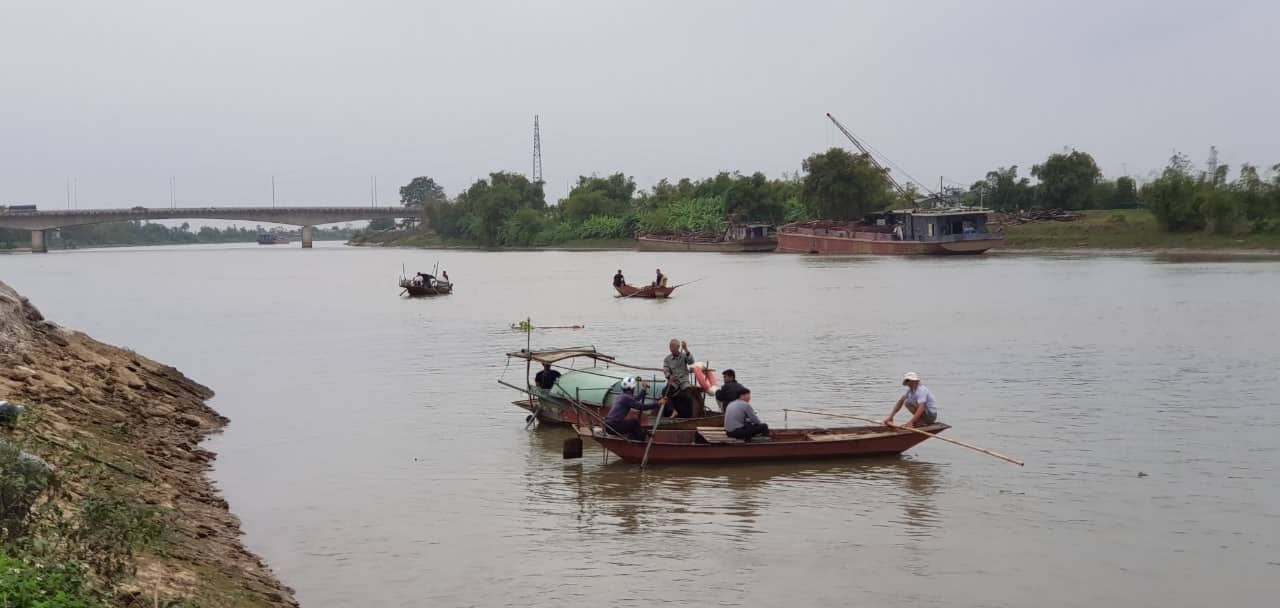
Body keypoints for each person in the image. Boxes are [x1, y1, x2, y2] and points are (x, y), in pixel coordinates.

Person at [661, 339, 698, 418]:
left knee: (688, 395)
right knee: (665, 392)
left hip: (684, 381)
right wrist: (669, 376)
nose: (670, 348)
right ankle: (672, 410)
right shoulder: (667, 359)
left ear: (677, 347)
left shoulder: (684, 355)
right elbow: (665, 369)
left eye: (672, 346)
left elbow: (691, 361)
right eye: (670, 346)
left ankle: (690, 417)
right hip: (674, 381)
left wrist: (686, 349)